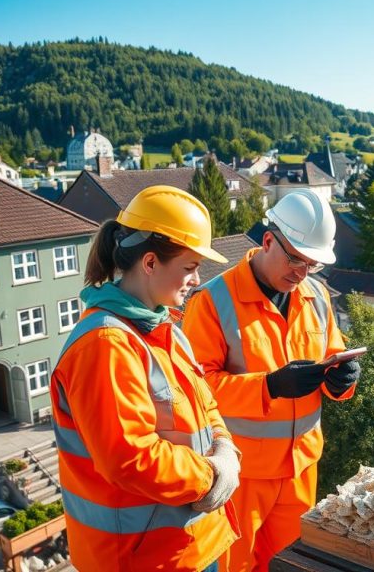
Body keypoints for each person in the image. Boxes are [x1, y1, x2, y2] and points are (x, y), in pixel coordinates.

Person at [51, 186, 241, 572]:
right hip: (141, 559)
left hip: (190, 544)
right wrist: (210, 476)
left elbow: (206, 406)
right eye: (189, 268)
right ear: (150, 263)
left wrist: (224, 448)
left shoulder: (165, 329)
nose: (196, 279)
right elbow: (130, 458)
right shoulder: (105, 346)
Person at [183, 190, 361, 572]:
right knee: (235, 566)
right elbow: (195, 392)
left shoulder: (315, 296)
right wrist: (270, 386)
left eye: (311, 264)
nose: (301, 273)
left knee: (294, 565)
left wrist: (342, 381)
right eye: (295, 259)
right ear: (268, 240)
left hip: (301, 469)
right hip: (241, 475)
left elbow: (332, 354)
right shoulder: (213, 301)